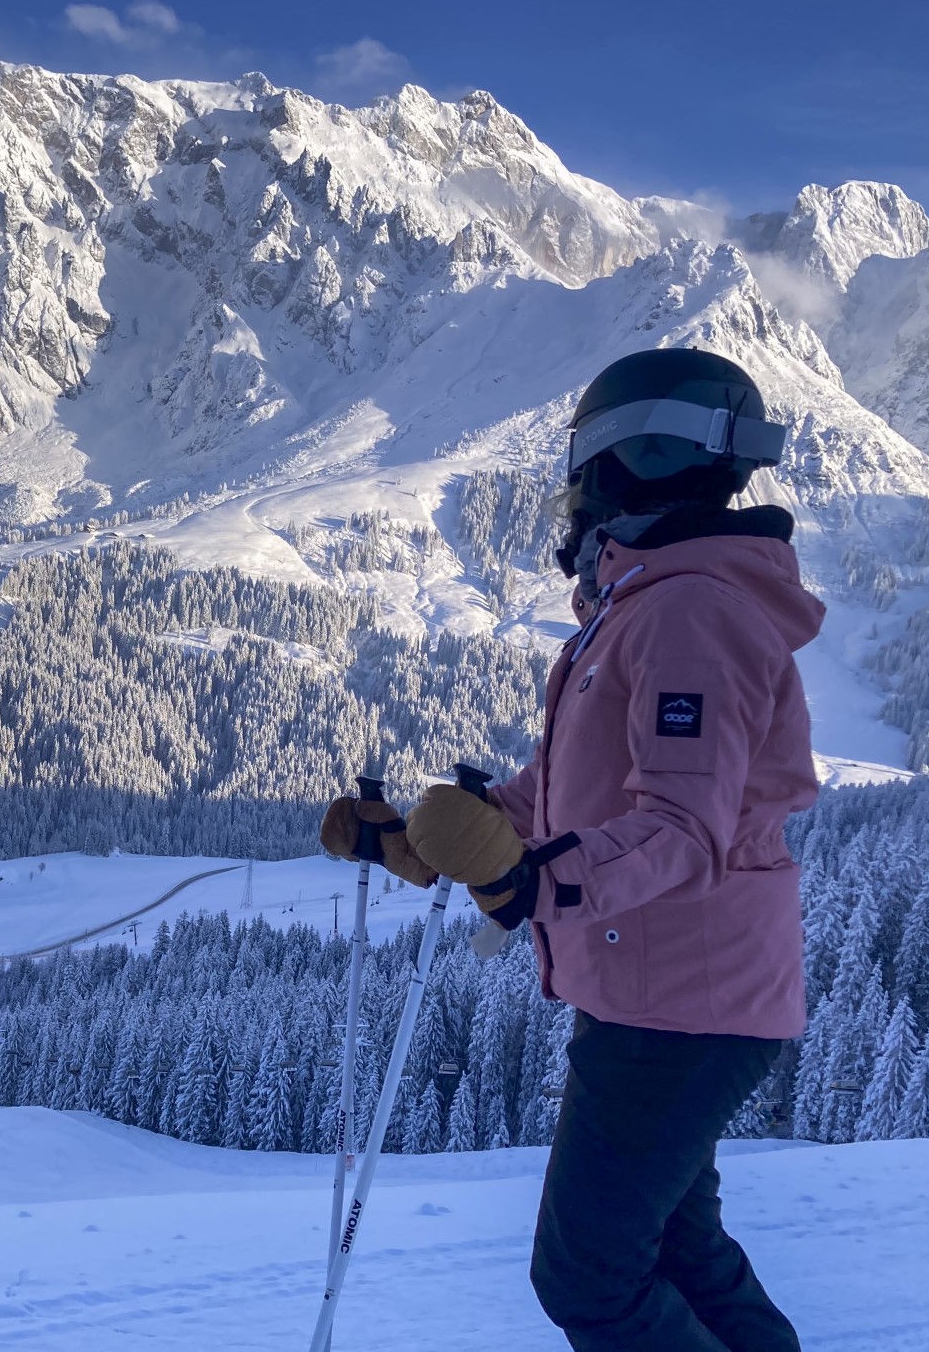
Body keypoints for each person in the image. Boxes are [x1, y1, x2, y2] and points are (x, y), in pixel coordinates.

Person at [322, 348, 817, 1352]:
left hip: (683, 1004)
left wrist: (526, 876)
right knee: (677, 1249)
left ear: (627, 457)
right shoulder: (647, 602)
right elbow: (560, 795)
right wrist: (428, 843)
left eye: (581, 467)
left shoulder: (690, 609)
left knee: (586, 1274)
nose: (571, 499)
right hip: (663, 994)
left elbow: (683, 828)